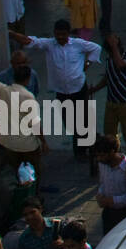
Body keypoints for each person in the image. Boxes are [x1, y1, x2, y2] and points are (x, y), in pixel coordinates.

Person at [11, 22, 101, 160]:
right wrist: (9, 33)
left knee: (83, 121)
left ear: (68, 34)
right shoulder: (49, 44)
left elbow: (96, 48)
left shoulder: (78, 44)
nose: (60, 37)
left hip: (79, 88)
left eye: (63, 34)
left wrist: (87, 64)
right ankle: (91, 142)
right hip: (62, 92)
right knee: (69, 122)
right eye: (57, 34)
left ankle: (82, 151)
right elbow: (28, 41)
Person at [0, 58, 46, 177]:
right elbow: (35, 124)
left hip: (8, 142)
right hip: (27, 144)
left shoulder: (3, 90)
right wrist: (43, 142)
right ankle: (34, 193)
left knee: (16, 170)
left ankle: (20, 191)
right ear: (27, 80)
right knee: (36, 170)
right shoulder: (28, 96)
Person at [89, 33, 126, 160]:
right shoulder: (109, 60)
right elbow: (107, 78)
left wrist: (114, 46)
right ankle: (114, 155)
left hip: (125, 102)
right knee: (109, 133)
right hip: (111, 102)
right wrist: (95, 89)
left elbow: (121, 65)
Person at [94, 134, 126, 235]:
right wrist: (100, 194)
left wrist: (114, 200)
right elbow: (103, 183)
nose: (99, 159)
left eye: (102, 155)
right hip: (108, 213)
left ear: (112, 152)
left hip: (125, 214)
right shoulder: (103, 165)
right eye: (97, 156)